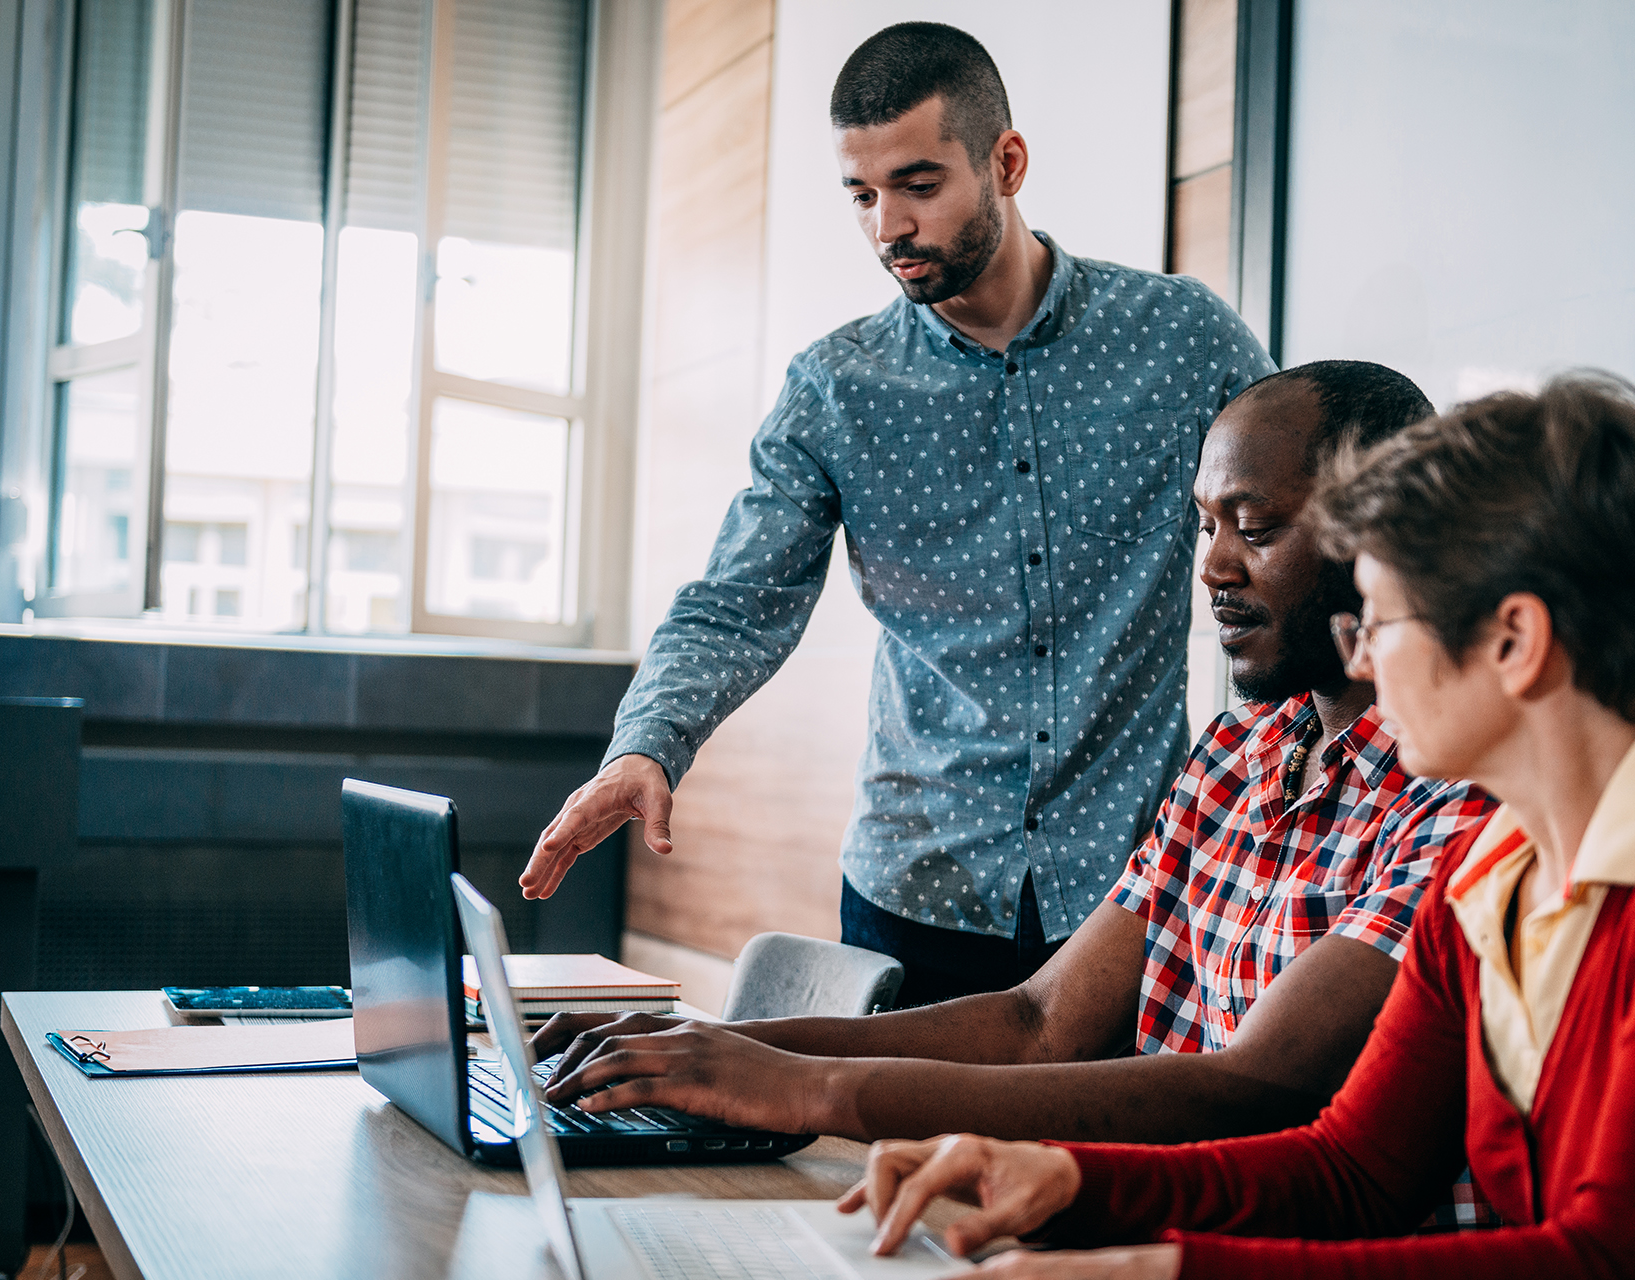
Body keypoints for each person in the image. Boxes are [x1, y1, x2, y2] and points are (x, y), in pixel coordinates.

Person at [848, 372, 1635, 1277]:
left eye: (1377, 621)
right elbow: (1351, 1167)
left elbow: (1615, 1255)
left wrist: (1160, 1268)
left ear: (1514, 640)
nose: (1364, 660)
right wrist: (1066, 1177)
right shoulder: (1494, 863)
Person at [532, 362, 1497, 1225]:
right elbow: (1041, 1022)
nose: (1211, 566)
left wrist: (809, 1089)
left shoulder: (1459, 797)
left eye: (1256, 528)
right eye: (1204, 524)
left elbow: (1259, 1087)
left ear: (1381, 536)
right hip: (1157, 1231)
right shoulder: (1241, 752)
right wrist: (705, 1044)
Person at [517, 22, 1275, 1004]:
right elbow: (736, 601)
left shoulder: (1180, 338)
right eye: (863, 194)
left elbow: (1302, 524)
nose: (888, 226)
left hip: (1136, 887)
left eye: (919, 185)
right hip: (917, 893)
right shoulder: (835, 387)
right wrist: (645, 743)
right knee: (895, 1163)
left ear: (1006, 162)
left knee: (1100, 1162)